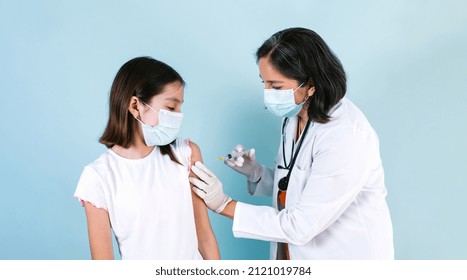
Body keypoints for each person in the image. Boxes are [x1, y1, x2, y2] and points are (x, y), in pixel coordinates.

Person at [189, 28, 394, 260]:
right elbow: (298, 184)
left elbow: (301, 225)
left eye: (276, 87)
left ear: (311, 84)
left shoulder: (345, 135)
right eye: (264, 83)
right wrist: (257, 174)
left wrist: (224, 204)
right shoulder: (294, 116)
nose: (267, 94)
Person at [74, 56, 220, 260]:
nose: (179, 116)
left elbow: (204, 237)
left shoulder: (186, 153)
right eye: (171, 108)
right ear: (135, 106)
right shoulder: (98, 176)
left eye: (180, 108)